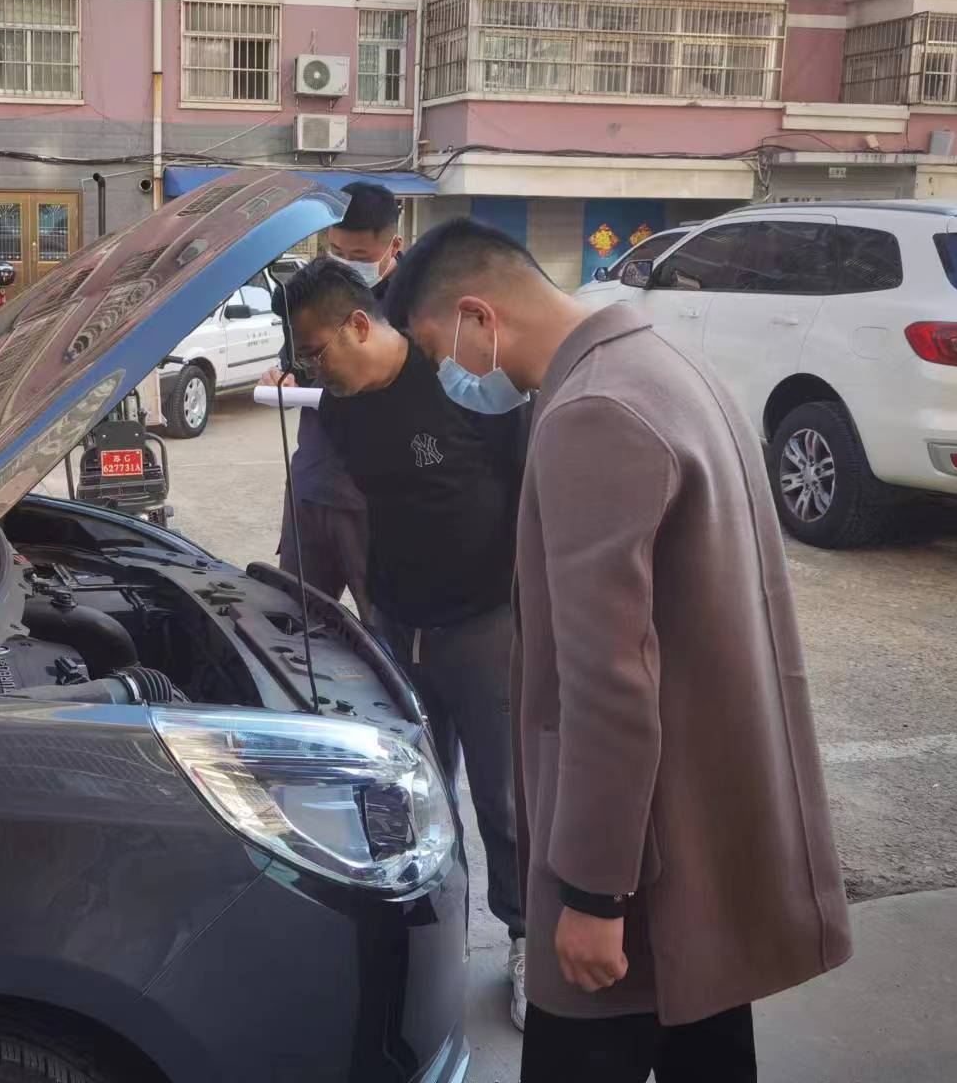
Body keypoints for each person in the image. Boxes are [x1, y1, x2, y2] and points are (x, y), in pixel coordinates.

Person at [384, 218, 852, 1081]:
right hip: (695, 837)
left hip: (638, 866)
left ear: (479, 318)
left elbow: (607, 680)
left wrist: (593, 893)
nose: (447, 374)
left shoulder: (591, 412)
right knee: (707, 1051)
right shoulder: (664, 363)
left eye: (436, 348)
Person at [280, 255, 531, 1028]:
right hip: (398, 624)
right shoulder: (343, 410)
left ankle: (526, 938)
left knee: (505, 799)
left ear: (359, 324)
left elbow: (526, 483)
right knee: (411, 797)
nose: (311, 373)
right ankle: (432, 940)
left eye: (315, 353)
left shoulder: (458, 381)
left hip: (484, 626)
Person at [261, 181, 405, 623]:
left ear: (393, 246)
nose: (346, 263)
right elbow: (294, 363)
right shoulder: (314, 293)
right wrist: (283, 377)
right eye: (337, 250)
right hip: (311, 484)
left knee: (383, 625)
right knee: (295, 619)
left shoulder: (412, 304)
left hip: (373, 500)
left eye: (359, 255)